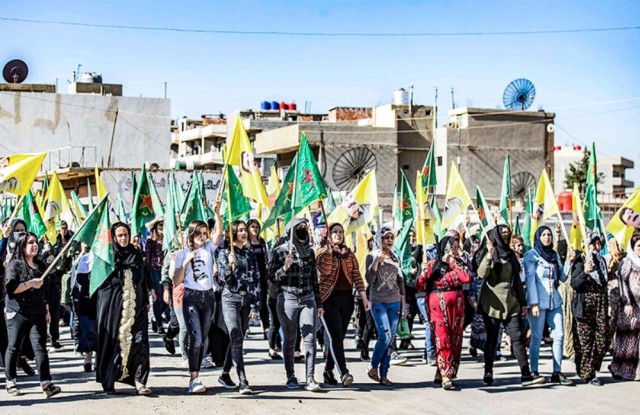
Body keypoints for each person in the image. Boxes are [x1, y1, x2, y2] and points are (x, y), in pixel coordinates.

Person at [477, 225, 544, 387]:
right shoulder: (488, 253)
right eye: (503, 233)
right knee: (492, 340)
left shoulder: (511, 255)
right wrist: (489, 256)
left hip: (511, 302)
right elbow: (481, 274)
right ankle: (488, 372)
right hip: (492, 303)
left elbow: (517, 283)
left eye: (508, 233)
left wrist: (522, 303)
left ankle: (526, 375)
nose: (506, 236)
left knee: (517, 338)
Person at [95, 222, 153, 395]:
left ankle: (140, 381)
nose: (123, 238)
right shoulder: (107, 257)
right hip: (114, 308)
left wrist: (149, 294)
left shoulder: (138, 255)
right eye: (119, 235)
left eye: (125, 234)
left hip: (138, 306)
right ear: (113, 237)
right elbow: (102, 285)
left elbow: (145, 277)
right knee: (113, 343)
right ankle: (109, 379)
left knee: (140, 342)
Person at [4, 232, 61, 398]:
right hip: (17, 312)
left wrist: (47, 310)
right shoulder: (14, 265)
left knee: (40, 347)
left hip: (38, 312)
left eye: (36, 242)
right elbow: (11, 288)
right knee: (14, 346)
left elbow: (45, 291)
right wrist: (30, 284)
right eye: (30, 243)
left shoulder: (41, 266)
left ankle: (46, 382)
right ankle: (11, 381)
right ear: (22, 246)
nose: (34, 245)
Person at [268, 218, 323, 392]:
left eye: (305, 228)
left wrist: (319, 302)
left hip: (308, 299)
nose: (303, 230)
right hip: (287, 299)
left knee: (310, 338)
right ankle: (290, 376)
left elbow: (314, 280)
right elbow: (271, 277)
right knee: (290, 340)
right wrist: (284, 267)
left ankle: (310, 378)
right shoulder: (280, 251)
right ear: (290, 231)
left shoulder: (310, 252)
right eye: (298, 228)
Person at [173, 215, 223, 394]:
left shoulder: (209, 248)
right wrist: (185, 263)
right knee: (197, 338)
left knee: (203, 339)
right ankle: (194, 379)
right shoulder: (181, 254)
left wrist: (217, 214)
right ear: (191, 235)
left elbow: (219, 233)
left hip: (208, 297)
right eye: (199, 234)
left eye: (204, 233)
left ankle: (197, 373)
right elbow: (176, 280)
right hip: (191, 298)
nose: (203, 237)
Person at [317, 223, 370, 387]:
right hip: (328, 299)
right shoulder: (322, 253)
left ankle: (328, 370)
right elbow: (319, 273)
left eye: (340, 232)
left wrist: (364, 297)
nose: (338, 235)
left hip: (346, 299)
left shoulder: (349, 254)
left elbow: (357, 276)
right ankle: (344, 372)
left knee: (339, 337)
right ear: (328, 235)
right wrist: (328, 252)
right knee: (335, 336)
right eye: (334, 232)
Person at [417, 231, 472, 390]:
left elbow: (466, 278)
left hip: (457, 305)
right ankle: (446, 375)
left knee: (455, 337)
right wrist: (422, 274)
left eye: (456, 247)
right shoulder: (433, 263)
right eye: (451, 247)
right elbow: (420, 286)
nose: (454, 250)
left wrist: (453, 263)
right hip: (437, 304)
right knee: (442, 337)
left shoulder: (459, 263)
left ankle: (441, 371)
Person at [524, 226, 573, 386]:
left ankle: (556, 372)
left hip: (554, 301)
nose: (547, 237)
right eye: (544, 235)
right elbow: (531, 281)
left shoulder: (554, 255)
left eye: (549, 235)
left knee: (559, 334)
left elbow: (563, 277)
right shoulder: (532, 255)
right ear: (538, 237)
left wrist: (569, 261)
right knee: (536, 337)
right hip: (538, 302)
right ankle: (534, 371)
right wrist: (534, 303)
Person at [216, 220, 261, 395]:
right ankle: (243, 379)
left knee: (238, 338)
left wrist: (256, 305)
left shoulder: (250, 254)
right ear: (233, 232)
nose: (244, 233)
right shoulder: (224, 252)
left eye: (245, 230)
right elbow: (223, 277)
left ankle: (225, 373)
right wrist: (229, 265)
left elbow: (256, 279)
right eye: (240, 230)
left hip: (246, 300)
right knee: (235, 334)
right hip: (230, 298)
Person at [365, 226, 405, 386]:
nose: (388, 241)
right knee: (385, 335)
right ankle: (373, 366)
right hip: (378, 301)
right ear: (379, 240)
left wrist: (404, 303)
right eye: (385, 238)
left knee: (391, 339)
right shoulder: (372, 256)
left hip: (394, 301)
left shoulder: (395, 257)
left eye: (391, 238)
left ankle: (384, 374)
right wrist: (376, 262)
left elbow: (400, 281)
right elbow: (369, 280)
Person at [570, 233, 610, 385]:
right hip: (585, 306)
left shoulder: (601, 262)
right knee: (586, 341)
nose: (595, 247)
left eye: (598, 244)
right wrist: (585, 272)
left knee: (602, 338)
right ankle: (589, 372)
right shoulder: (580, 262)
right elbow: (574, 283)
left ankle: (592, 366)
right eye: (592, 244)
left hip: (600, 305)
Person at [1, 218, 36, 376]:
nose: (20, 233)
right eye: (17, 230)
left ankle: (21, 359)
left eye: (22, 229)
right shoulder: (4, 246)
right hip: (4, 295)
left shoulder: (26, 247)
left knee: (21, 333)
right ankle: (10, 371)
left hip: (21, 297)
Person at [609, 234, 640, 381]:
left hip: (639, 307)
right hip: (629, 307)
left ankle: (632, 371)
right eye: (639, 246)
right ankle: (618, 369)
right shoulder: (627, 262)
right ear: (633, 247)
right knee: (626, 339)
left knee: (635, 341)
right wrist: (627, 302)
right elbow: (622, 283)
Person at [70, 244, 97, 372]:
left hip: (101, 300)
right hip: (85, 300)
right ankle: (88, 357)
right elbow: (75, 275)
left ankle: (99, 358)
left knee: (101, 330)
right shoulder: (83, 260)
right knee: (87, 331)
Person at [247, 219, 270, 340]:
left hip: (261, 276)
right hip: (250, 278)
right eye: (252, 227)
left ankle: (267, 330)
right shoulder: (245, 243)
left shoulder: (262, 242)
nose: (255, 229)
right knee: (249, 303)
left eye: (256, 227)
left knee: (263, 304)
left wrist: (267, 276)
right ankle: (245, 328)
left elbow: (266, 259)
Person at [144, 215, 166, 334]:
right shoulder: (150, 241)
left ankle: (155, 318)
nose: (162, 227)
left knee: (166, 300)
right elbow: (147, 258)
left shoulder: (169, 239)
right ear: (156, 227)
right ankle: (159, 324)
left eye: (163, 225)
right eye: (160, 225)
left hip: (166, 271)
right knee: (157, 299)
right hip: (155, 271)